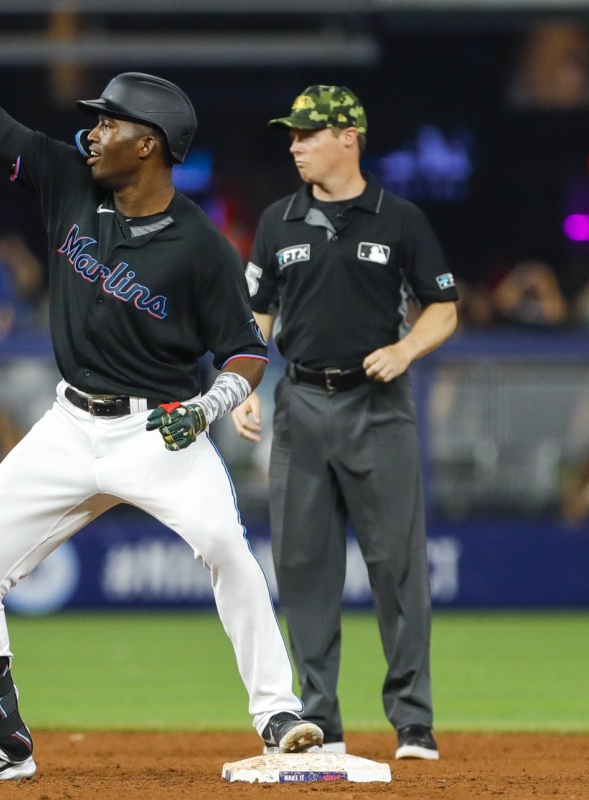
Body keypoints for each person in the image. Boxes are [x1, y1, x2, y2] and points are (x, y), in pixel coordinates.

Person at [0, 25, 322, 782]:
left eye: (109, 122)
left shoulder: (200, 247)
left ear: (148, 144)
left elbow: (246, 352)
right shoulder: (68, 180)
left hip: (159, 432)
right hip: (69, 426)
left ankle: (278, 713)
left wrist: (207, 410)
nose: (93, 132)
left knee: (226, 546)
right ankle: (2, 741)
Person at [230, 86, 459, 761]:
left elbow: (444, 306)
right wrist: (243, 385)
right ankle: (320, 720)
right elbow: (255, 317)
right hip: (300, 403)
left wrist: (406, 349)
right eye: (293, 135)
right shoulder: (278, 221)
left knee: (398, 568)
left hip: (377, 407)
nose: (295, 146)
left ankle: (412, 723)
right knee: (303, 567)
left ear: (347, 137)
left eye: (307, 134)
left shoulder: (400, 219)